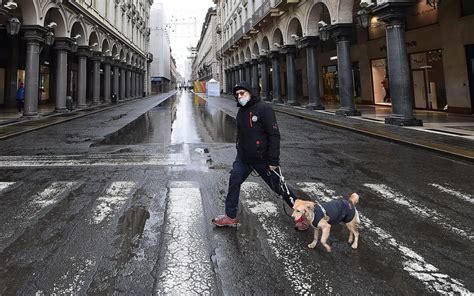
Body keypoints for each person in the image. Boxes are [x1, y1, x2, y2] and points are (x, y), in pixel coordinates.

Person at [212, 81, 309, 231]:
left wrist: (273, 160)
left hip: (263, 159)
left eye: (242, 93)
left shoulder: (264, 109)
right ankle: (230, 217)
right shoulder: (242, 111)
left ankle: (303, 214)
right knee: (234, 182)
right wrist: (240, 151)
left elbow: (274, 135)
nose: (239, 96)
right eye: (237, 95)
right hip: (243, 159)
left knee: (279, 187)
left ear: (250, 93)